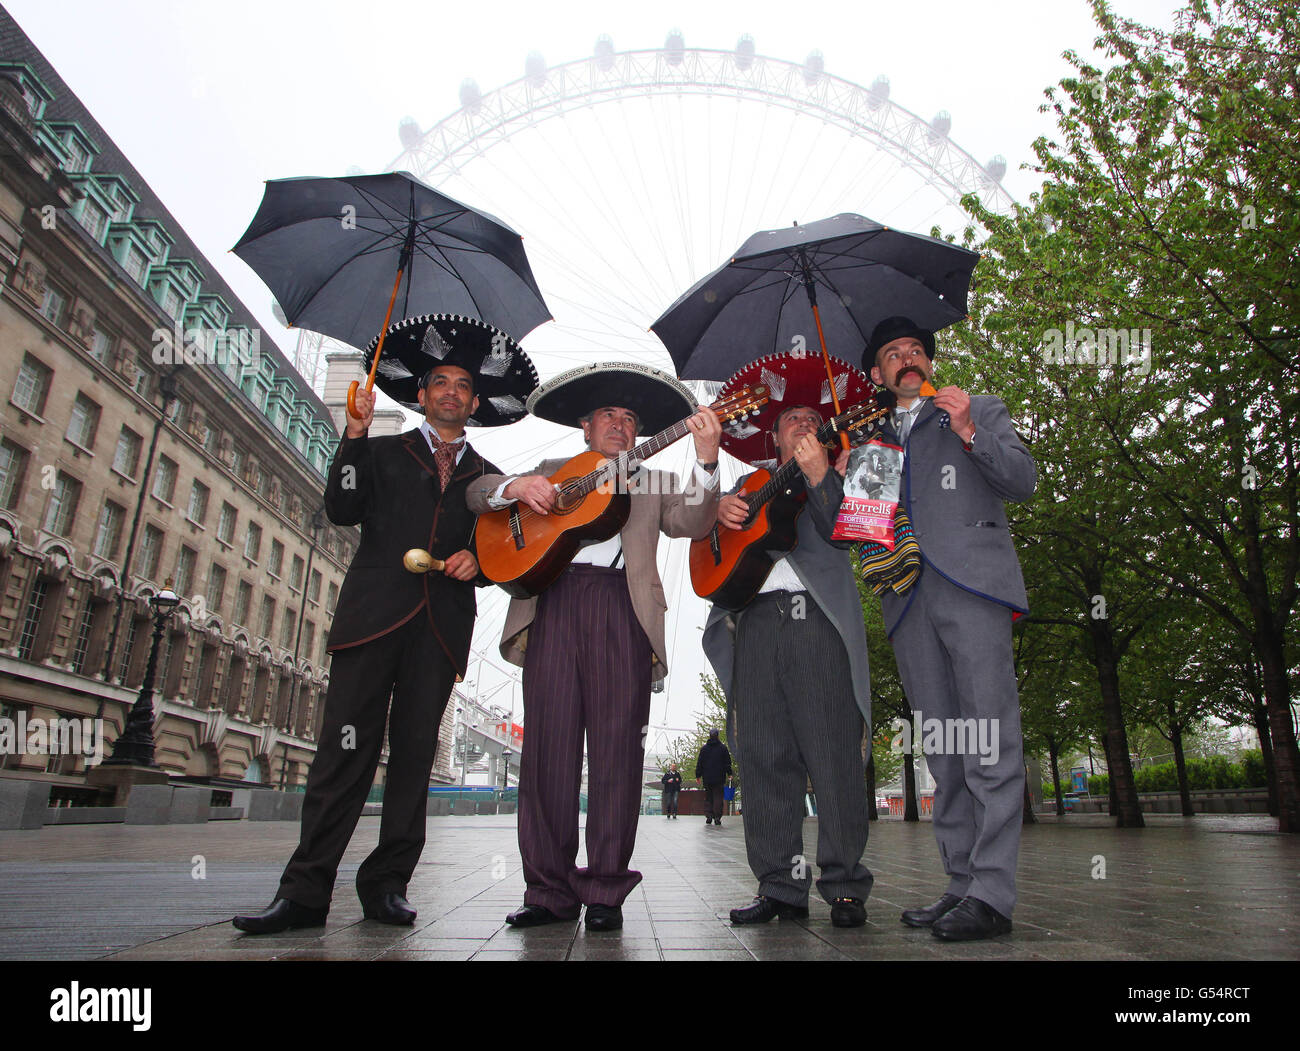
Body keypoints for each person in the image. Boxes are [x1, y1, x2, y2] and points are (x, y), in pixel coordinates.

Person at [232, 325, 526, 934]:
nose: (450, 393)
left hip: (439, 631)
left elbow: (503, 553)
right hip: (371, 621)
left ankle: (387, 885)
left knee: (415, 760)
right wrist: (356, 433)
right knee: (342, 756)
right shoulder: (381, 451)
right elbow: (340, 507)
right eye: (439, 382)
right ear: (421, 395)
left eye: (462, 386)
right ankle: (305, 890)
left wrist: (479, 566)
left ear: (475, 405)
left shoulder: (493, 478)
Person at [467, 362, 721, 932]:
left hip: (621, 613)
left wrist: (706, 461)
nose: (620, 425)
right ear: (585, 427)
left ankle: (605, 887)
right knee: (547, 756)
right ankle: (548, 892)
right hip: (553, 608)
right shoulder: (550, 472)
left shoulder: (651, 481)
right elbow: (477, 496)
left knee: (617, 756)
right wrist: (515, 488)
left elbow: (696, 520)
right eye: (609, 415)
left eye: (630, 418)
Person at [852, 315, 1036, 941]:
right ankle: (960, 884)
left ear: (928, 363)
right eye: (892, 354)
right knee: (946, 749)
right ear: (877, 374)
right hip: (906, 601)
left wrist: (968, 432)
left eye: (915, 351)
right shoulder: (869, 437)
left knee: (988, 740)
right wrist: (850, 473)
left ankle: (993, 893)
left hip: (973, 587)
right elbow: (862, 531)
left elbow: (1021, 481)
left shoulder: (977, 408)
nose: (907, 359)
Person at [702, 353, 877, 929]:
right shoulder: (748, 483)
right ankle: (779, 885)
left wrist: (826, 475)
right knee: (761, 758)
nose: (801, 424)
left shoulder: (849, 469)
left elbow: (859, 534)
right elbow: (711, 554)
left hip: (817, 624)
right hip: (753, 623)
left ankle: (845, 885)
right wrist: (720, 514)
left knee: (833, 757)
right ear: (773, 437)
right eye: (790, 420)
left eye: (809, 416)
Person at [695, 729, 733, 826]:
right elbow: (727, 763)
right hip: (719, 777)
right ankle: (717, 817)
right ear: (718, 736)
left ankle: (709, 815)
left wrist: (698, 775)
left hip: (707, 777)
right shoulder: (723, 748)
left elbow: (700, 763)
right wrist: (729, 773)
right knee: (718, 797)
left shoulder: (704, 749)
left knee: (708, 797)